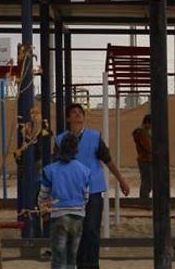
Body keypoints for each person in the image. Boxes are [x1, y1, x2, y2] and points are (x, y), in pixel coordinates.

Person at [56, 103, 130, 269]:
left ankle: (91, 265)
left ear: (84, 117)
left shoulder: (94, 137)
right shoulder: (60, 140)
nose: (77, 115)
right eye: (73, 112)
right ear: (68, 118)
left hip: (94, 190)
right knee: (75, 231)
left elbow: (108, 160)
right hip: (71, 192)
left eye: (80, 112)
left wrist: (121, 180)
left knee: (91, 229)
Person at [40, 133, 92, 269]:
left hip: (58, 215)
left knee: (58, 257)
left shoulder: (50, 170)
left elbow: (43, 194)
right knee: (72, 257)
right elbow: (86, 196)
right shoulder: (84, 171)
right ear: (77, 149)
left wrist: (43, 210)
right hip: (78, 215)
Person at [132, 114, 153, 201]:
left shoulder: (144, 132)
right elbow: (149, 147)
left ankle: (144, 199)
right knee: (147, 181)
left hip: (146, 159)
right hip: (146, 160)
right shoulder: (142, 133)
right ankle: (144, 199)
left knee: (147, 181)